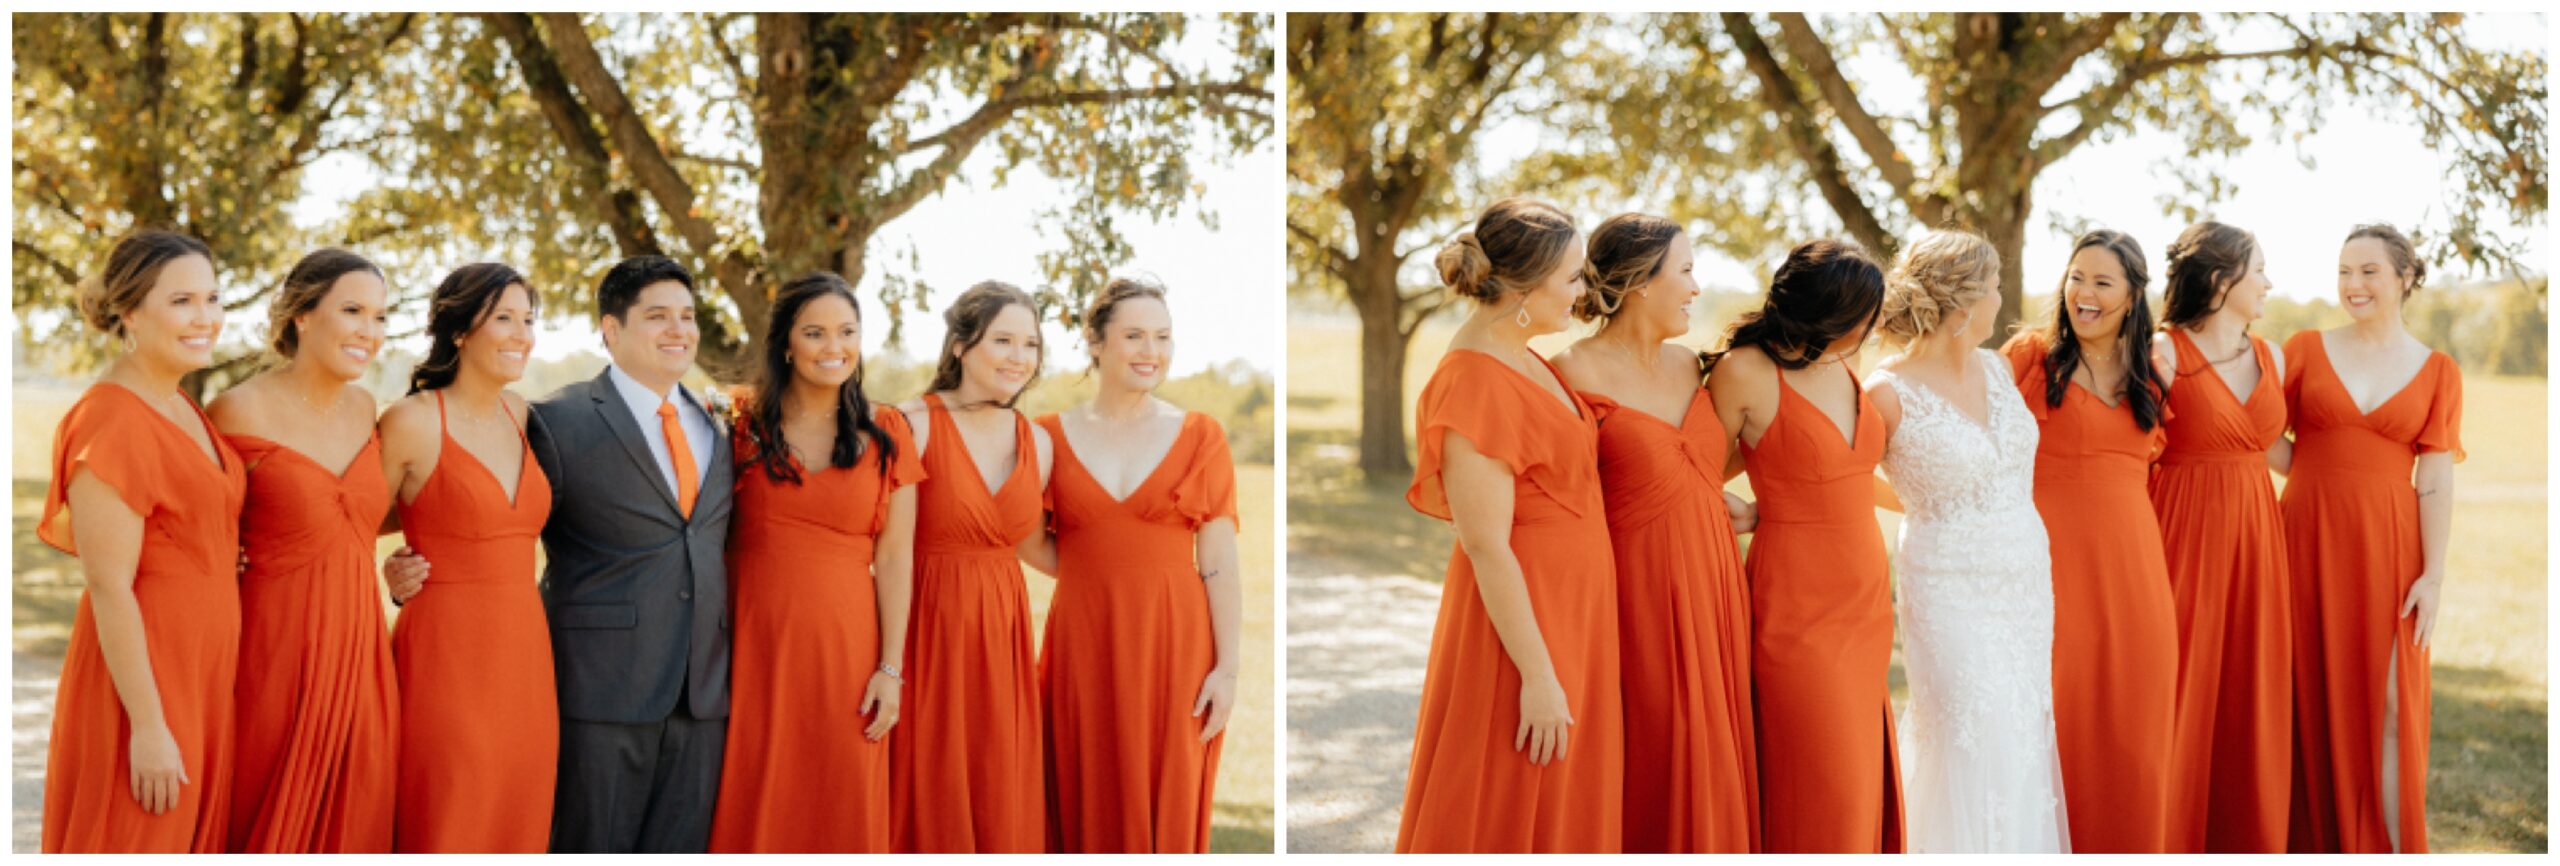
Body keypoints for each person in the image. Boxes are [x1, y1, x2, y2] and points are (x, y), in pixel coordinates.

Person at [394, 255, 737, 852]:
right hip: (597, 688)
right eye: (658, 316)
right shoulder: (553, 419)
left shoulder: (721, 423)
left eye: (687, 316)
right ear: (611, 329)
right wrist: (407, 565)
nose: (678, 330)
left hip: (702, 692)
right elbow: (476, 509)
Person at [1395, 198, 1623, 853]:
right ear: (1524, 288)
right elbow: (1486, 543)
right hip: (1523, 628)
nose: (1584, 291)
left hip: (1575, 613)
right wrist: (1539, 675)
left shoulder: (1527, 357)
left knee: (1564, 800)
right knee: (1509, 794)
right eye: (1574, 277)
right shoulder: (1473, 378)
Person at [1550, 214, 1758, 852]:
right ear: (1642, 282)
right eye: (1687, 271)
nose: (1697, 287)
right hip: (1630, 595)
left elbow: (1689, 462)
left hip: (1717, 587)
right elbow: (1566, 493)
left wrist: (1719, 498)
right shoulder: (1569, 371)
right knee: (1650, 744)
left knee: (1712, 747)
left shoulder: (1692, 366)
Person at [38, 230, 248, 852]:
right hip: (147, 683)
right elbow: (109, 585)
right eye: (182, 301)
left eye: (212, 299)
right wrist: (149, 726)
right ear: (129, 312)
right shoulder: (113, 417)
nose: (205, 317)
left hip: (206, 668)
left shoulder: (180, 404)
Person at [1863, 229, 2065, 852]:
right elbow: (1846, 477)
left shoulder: (1998, 367)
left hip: (2024, 582)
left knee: (2022, 730)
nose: (2002, 298)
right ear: (1964, 301)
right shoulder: (1885, 392)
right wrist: (1932, 501)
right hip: (1947, 586)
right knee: (1970, 728)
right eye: (1994, 286)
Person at [1027, 277, 1244, 852]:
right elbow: (1025, 537)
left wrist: (1227, 669)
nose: (1152, 351)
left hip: (1174, 643)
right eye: (1135, 335)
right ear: (1095, 342)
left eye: (1163, 336)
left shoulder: (1200, 435)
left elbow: (1219, 558)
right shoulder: (1045, 437)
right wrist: (1098, 575)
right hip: (1082, 641)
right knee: (1079, 787)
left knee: (1166, 792)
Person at [708, 273, 922, 852]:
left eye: (847, 332)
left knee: (841, 797)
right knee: (753, 793)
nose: (835, 347)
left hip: (847, 653)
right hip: (751, 646)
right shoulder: (738, 424)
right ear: (786, 343)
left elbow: (897, 556)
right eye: (816, 332)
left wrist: (892, 669)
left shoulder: (888, 432)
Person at [1702, 238, 1901, 853]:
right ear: (1828, 310)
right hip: (1797, 606)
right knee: (1822, 776)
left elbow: (1840, 475)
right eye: (1862, 315)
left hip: (1865, 603)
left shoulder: (1841, 363)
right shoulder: (1745, 371)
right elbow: (1688, 473)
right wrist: (1763, 512)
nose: (1870, 328)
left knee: (1857, 774)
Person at [2274, 223, 2461, 853]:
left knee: (2389, 704)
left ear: (2404, 277)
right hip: (2304, 536)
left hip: (2390, 546)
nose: (2353, 285)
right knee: (2300, 697)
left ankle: (2383, 847)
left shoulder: (2438, 371)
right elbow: (2261, 431)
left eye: (2368, 272)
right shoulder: (2303, 349)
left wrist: (2433, 575)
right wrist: (2317, 471)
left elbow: (2434, 475)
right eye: (2344, 271)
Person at [210, 248, 400, 852]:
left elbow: (356, 518)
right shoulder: (237, 409)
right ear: (303, 316)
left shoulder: (367, 409)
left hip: (361, 650)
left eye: (379, 316)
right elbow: (195, 519)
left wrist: (406, 562)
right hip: (270, 655)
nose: (369, 331)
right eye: (352, 311)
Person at [1999, 229, 2178, 852]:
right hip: (2045, 569)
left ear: (2132, 297)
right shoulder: (2029, 356)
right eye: (2077, 278)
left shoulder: (2151, 372)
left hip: (2135, 573)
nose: (2085, 294)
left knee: (2132, 724)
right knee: (2058, 718)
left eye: (2103, 283)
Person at [376, 263, 558, 852]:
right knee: (453, 813)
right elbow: (351, 525)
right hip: (446, 658)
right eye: (502, 318)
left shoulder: (521, 415)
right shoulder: (412, 421)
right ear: (459, 330)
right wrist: (392, 575)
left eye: (527, 320)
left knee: (516, 814)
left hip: (526, 659)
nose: (521, 334)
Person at [892, 280, 1055, 853]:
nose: (1019, 357)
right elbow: (880, 548)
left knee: (996, 784)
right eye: (1003, 340)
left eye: (1030, 345)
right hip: (923, 631)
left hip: (1002, 636)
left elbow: (1036, 545)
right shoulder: (910, 424)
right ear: (960, 345)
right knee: (923, 782)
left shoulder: (1039, 440)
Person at [2151, 221, 2291, 853]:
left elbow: (2281, 452)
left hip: (2258, 538)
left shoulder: (2274, 358)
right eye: (2258, 269)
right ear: (2220, 279)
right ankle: (2169, 833)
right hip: (2180, 529)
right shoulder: (2164, 351)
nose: (2268, 282)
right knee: (2179, 684)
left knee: (2247, 686)